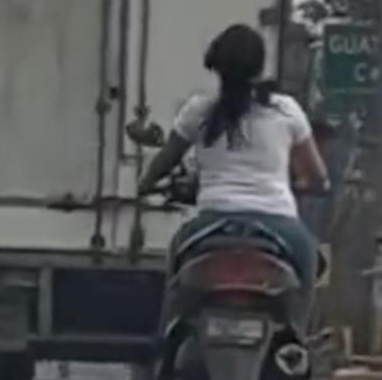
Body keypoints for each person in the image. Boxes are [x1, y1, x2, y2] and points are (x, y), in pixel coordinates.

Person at [137, 23, 329, 335]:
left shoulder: (198, 111)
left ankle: (165, 353)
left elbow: (164, 162)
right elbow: (318, 177)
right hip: (279, 226)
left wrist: (145, 185)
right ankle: (296, 348)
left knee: (175, 285)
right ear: (259, 66)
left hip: (210, 225)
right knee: (307, 273)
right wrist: (298, 186)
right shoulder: (286, 110)